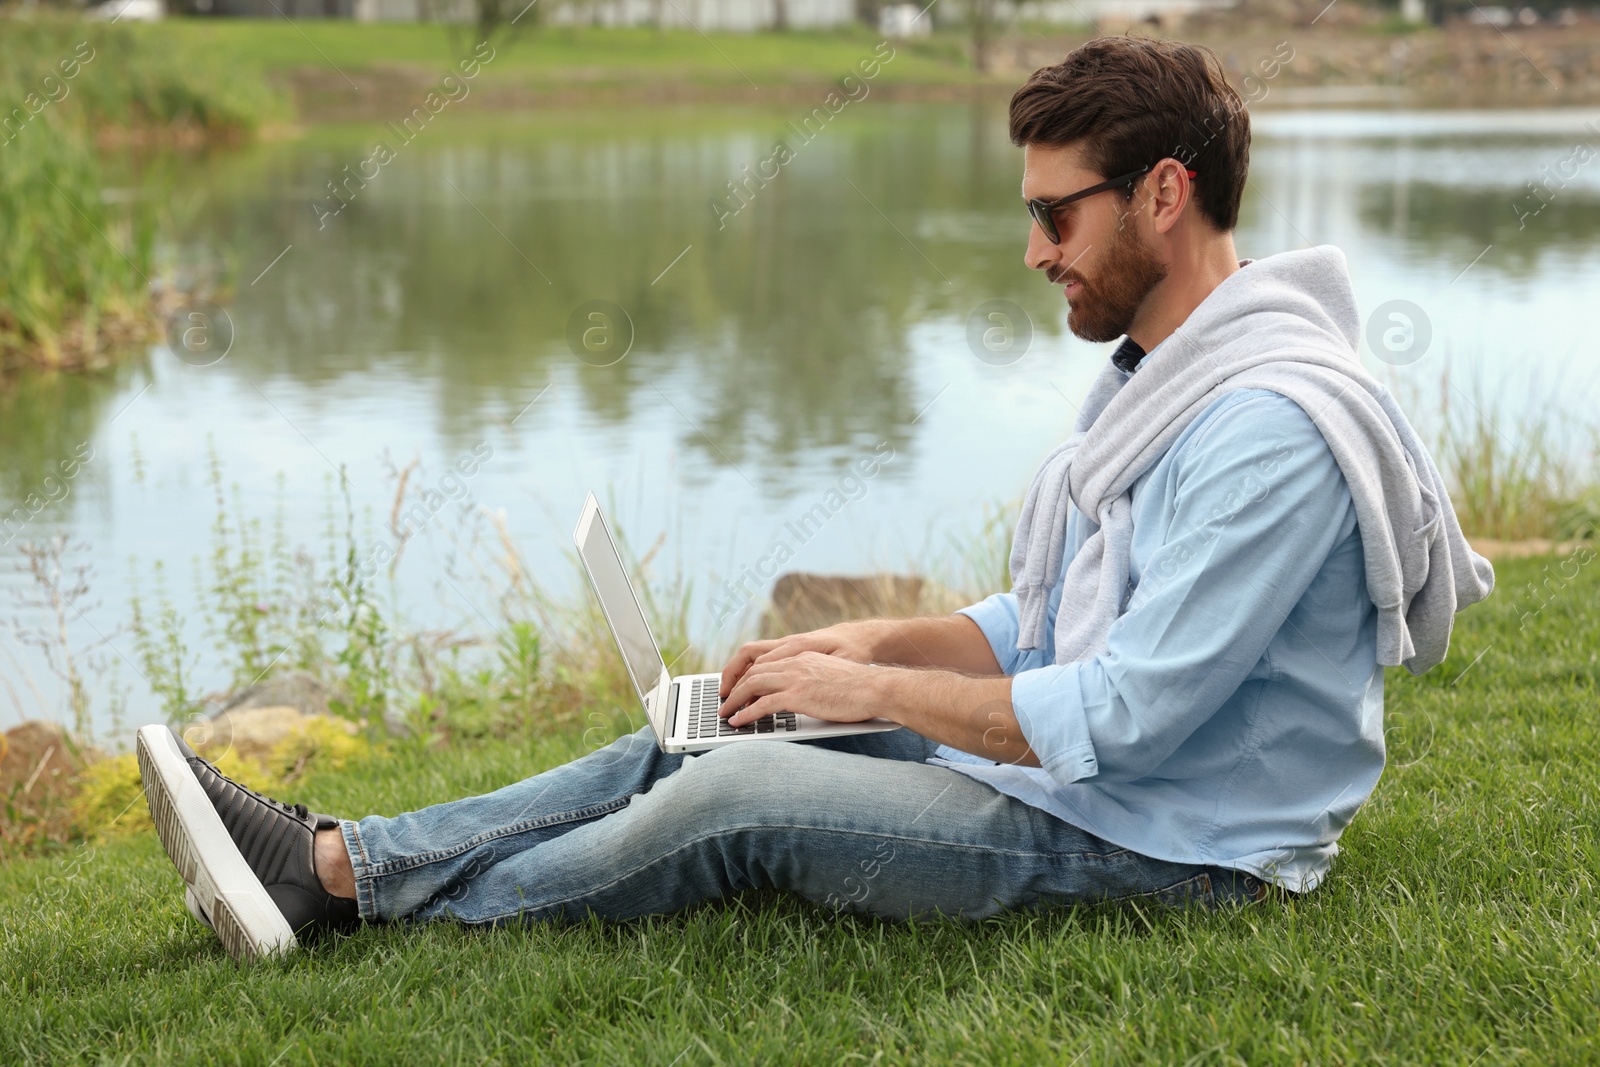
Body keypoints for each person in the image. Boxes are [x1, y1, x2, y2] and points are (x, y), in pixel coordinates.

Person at [136, 36, 1495, 962]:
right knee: (715, 727)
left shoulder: (1265, 427)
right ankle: (339, 861)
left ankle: (347, 901)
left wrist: (881, 701)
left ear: (1164, 191)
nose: (1034, 251)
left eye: (1056, 216)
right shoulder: (1169, 374)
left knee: (737, 805)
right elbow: (1049, 621)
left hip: (1176, 845)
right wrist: (859, 650)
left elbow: (1127, 714)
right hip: (1101, 789)